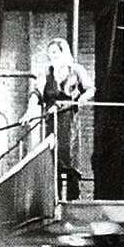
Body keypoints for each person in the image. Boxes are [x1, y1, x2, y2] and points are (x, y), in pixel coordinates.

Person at [22, 37, 95, 200]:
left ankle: (73, 199)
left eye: (55, 52)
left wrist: (84, 97)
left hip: (69, 122)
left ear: (64, 52)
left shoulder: (76, 70)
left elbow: (90, 89)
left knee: (69, 159)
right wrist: (30, 109)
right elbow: (37, 92)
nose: (52, 56)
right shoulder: (46, 72)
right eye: (50, 53)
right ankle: (54, 200)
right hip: (51, 121)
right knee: (52, 160)